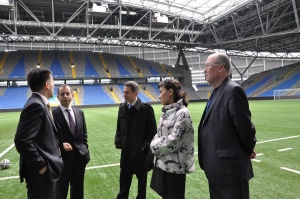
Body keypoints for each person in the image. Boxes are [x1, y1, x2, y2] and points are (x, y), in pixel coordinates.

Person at [198, 52, 257, 199]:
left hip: (230, 173)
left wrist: (248, 149)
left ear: (220, 68)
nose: (204, 70)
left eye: (207, 66)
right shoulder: (218, 91)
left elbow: (245, 127)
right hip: (217, 171)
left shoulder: (233, 90)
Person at [14, 68, 63, 199]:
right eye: (53, 81)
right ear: (47, 85)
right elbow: (22, 141)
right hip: (41, 176)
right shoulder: (36, 105)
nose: (54, 84)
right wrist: (41, 166)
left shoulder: (39, 103)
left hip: (44, 175)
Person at [150, 79, 195, 199]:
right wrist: (155, 143)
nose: (159, 96)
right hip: (164, 166)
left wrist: (153, 146)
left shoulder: (183, 113)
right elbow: (158, 135)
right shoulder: (166, 112)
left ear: (170, 92)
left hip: (176, 169)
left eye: (161, 92)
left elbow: (172, 141)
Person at [114, 81, 157, 199]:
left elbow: (153, 131)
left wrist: (144, 146)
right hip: (126, 155)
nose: (124, 94)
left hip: (141, 157)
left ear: (135, 93)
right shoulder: (122, 107)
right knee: (123, 190)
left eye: (127, 92)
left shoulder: (146, 109)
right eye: (124, 92)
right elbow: (119, 127)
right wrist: (118, 140)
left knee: (141, 191)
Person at [52, 84, 90, 199]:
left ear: (72, 95)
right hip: (61, 162)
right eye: (62, 94)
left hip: (79, 160)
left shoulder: (80, 113)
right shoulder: (52, 114)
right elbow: (49, 138)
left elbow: (84, 136)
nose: (65, 96)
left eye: (68, 93)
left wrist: (85, 151)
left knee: (78, 192)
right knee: (60, 192)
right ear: (57, 97)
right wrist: (60, 145)